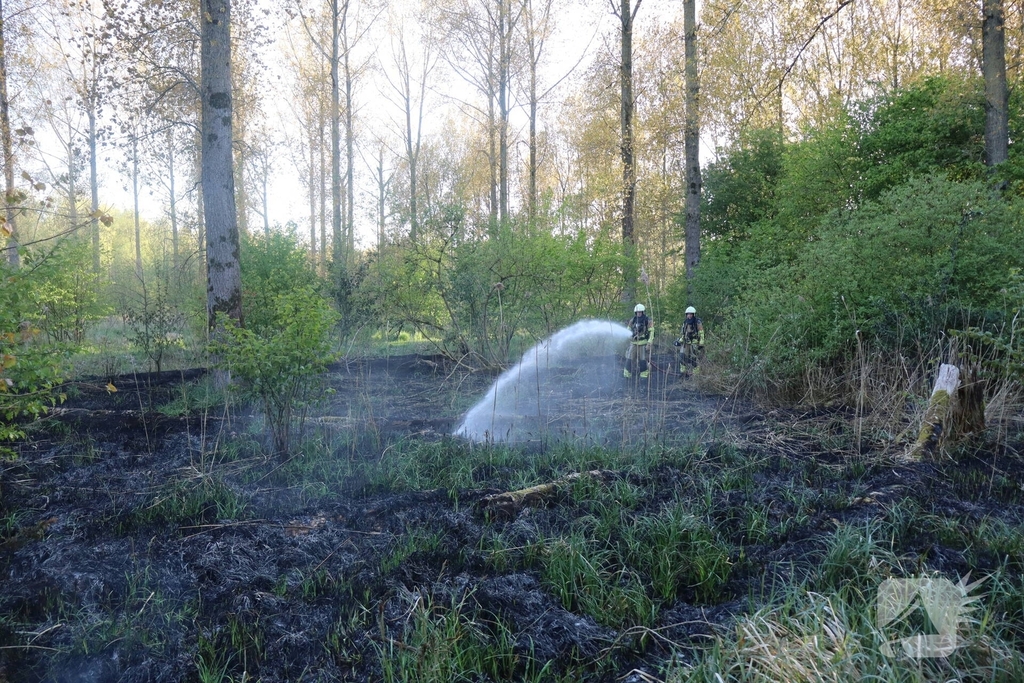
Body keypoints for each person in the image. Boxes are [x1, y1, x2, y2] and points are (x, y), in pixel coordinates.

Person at [674, 305, 704, 378]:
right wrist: (679, 341)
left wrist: (701, 343)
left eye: (691, 314)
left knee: (694, 359)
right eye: (688, 314)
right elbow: (683, 334)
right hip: (686, 343)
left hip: (694, 343)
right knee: (682, 357)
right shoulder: (685, 322)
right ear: (686, 315)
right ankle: (683, 373)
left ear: (693, 314)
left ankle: (696, 375)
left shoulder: (697, 322)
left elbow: (701, 333)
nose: (689, 316)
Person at [624, 303, 652, 379]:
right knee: (629, 358)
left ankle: (644, 375)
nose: (639, 314)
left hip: (643, 344)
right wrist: (629, 335)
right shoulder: (632, 320)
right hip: (633, 343)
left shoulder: (647, 321)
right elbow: (628, 329)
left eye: (640, 312)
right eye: (637, 312)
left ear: (643, 312)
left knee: (642, 360)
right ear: (635, 313)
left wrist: (649, 343)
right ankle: (627, 374)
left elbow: (651, 331)